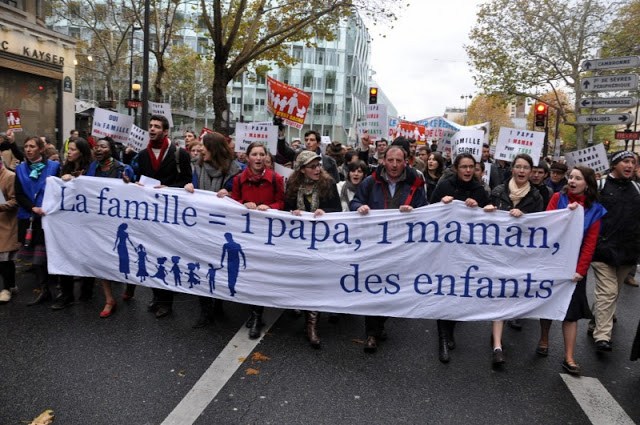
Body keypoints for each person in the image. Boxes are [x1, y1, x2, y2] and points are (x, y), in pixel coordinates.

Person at [351, 143, 427, 353]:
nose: (394, 165)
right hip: (374, 245)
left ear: (406, 162)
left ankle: (379, 324)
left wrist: (414, 211)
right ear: (383, 161)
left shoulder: (416, 184)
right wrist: (360, 207)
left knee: (392, 287)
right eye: (390, 160)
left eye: (398, 161)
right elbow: (355, 202)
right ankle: (371, 333)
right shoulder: (370, 182)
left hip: (401, 246)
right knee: (374, 286)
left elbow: (424, 210)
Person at [537, 166, 606, 375]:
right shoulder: (558, 198)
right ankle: (544, 338)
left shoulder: (595, 209)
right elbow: (546, 225)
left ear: (588, 184)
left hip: (575, 266)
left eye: (578, 178)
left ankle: (569, 357)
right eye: (571, 177)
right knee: (548, 303)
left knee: (572, 312)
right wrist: (565, 215)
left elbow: (590, 244)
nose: (572, 181)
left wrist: (581, 270)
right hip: (553, 261)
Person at [483, 154, 544, 365]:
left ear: (530, 172)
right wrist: (488, 211)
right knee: (500, 295)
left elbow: (540, 226)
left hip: (521, 255)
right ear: (512, 169)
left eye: (525, 167)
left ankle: (503, 325)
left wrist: (524, 217)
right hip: (499, 253)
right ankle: (497, 345)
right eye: (518, 166)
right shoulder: (498, 192)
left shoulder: (536, 197)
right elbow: (485, 222)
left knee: (511, 294)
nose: (521, 170)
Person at [429, 153, 490, 363]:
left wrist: (479, 208)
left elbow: (489, 219)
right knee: (444, 290)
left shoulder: (479, 190)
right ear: (456, 168)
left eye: (471, 166)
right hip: (444, 249)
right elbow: (428, 212)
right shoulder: (444, 185)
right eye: (463, 166)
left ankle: (450, 330)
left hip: (467, 252)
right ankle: (442, 339)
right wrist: (441, 204)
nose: (468, 170)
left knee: (458, 292)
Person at [130, 114, 192, 318]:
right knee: (150, 256)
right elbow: (139, 178)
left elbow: (187, 181)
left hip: (170, 215)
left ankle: (166, 302)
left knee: (166, 257)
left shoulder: (180, 154)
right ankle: (156, 296)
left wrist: (168, 188)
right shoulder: (142, 155)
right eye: (151, 126)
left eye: (157, 126)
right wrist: (135, 184)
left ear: (165, 131)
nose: (152, 129)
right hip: (149, 214)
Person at [185, 131, 242, 327]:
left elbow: (239, 196)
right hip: (201, 227)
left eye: (204, 146)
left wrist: (231, 194)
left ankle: (218, 303)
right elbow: (192, 188)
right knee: (202, 266)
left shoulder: (234, 171)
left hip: (221, 228)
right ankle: (205, 311)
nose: (200, 149)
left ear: (214, 149)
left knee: (218, 267)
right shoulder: (197, 166)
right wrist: (188, 188)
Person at [285, 150, 341, 348]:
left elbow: (338, 210)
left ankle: (312, 326)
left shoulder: (328, 184)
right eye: (312, 167)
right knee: (302, 278)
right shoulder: (292, 185)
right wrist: (292, 212)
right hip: (299, 242)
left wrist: (325, 212)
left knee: (316, 280)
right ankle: (299, 308)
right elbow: (285, 209)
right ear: (302, 170)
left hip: (321, 241)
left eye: (318, 166)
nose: (317, 169)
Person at [230, 142, 285, 338]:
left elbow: (282, 202)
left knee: (260, 273)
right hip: (246, 233)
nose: (259, 158)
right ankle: (254, 313)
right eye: (255, 154)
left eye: (262, 154)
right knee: (249, 273)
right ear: (247, 157)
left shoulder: (276, 179)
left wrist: (270, 207)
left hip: (267, 234)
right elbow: (233, 202)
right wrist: (244, 204)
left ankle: (256, 316)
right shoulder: (238, 179)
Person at [588, 151, 640, 352]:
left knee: (612, 293)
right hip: (602, 251)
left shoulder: (636, 189)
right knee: (608, 292)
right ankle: (602, 336)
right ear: (614, 165)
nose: (630, 165)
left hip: (627, 252)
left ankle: (595, 321)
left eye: (633, 162)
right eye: (625, 161)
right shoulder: (600, 186)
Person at [86, 137, 136, 317]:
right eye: (96, 147)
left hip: (120, 222)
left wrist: (128, 184)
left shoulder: (123, 168)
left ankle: (131, 285)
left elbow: (136, 193)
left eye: (103, 146)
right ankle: (109, 299)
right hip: (100, 222)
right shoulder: (92, 168)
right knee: (102, 258)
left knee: (124, 258)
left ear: (110, 150)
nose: (98, 149)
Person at [14, 136, 60, 305]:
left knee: (44, 257)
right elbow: (19, 194)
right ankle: (45, 290)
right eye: (26, 146)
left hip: (48, 218)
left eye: (32, 146)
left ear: (41, 149)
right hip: (29, 217)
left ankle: (55, 288)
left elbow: (59, 191)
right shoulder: (20, 169)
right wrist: (32, 207)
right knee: (36, 260)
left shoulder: (54, 166)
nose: (28, 149)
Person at [53, 137, 95, 309]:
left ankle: (87, 290)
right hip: (67, 221)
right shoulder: (64, 169)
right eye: (68, 149)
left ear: (82, 152)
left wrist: (78, 180)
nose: (68, 152)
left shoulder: (92, 169)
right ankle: (66, 294)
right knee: (65, 254)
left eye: (73, 149)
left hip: (86, 222)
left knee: (86, 255)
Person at [0, 158, 20, 303]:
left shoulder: (10, 176)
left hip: (6, 222)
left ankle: (6, 288)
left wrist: (1, 206)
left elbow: (15, 200)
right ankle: (11, 285)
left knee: (4, 258)